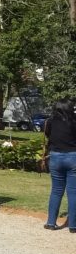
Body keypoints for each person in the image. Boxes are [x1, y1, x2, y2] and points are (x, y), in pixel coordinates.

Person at [42, 99, 76, 232]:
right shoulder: (74, 121)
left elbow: (48, 135)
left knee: (56, 191)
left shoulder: (49, 122)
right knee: (73, 193)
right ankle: (73, 226)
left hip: (55, 156)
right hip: (73, 156)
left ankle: (51, 223)